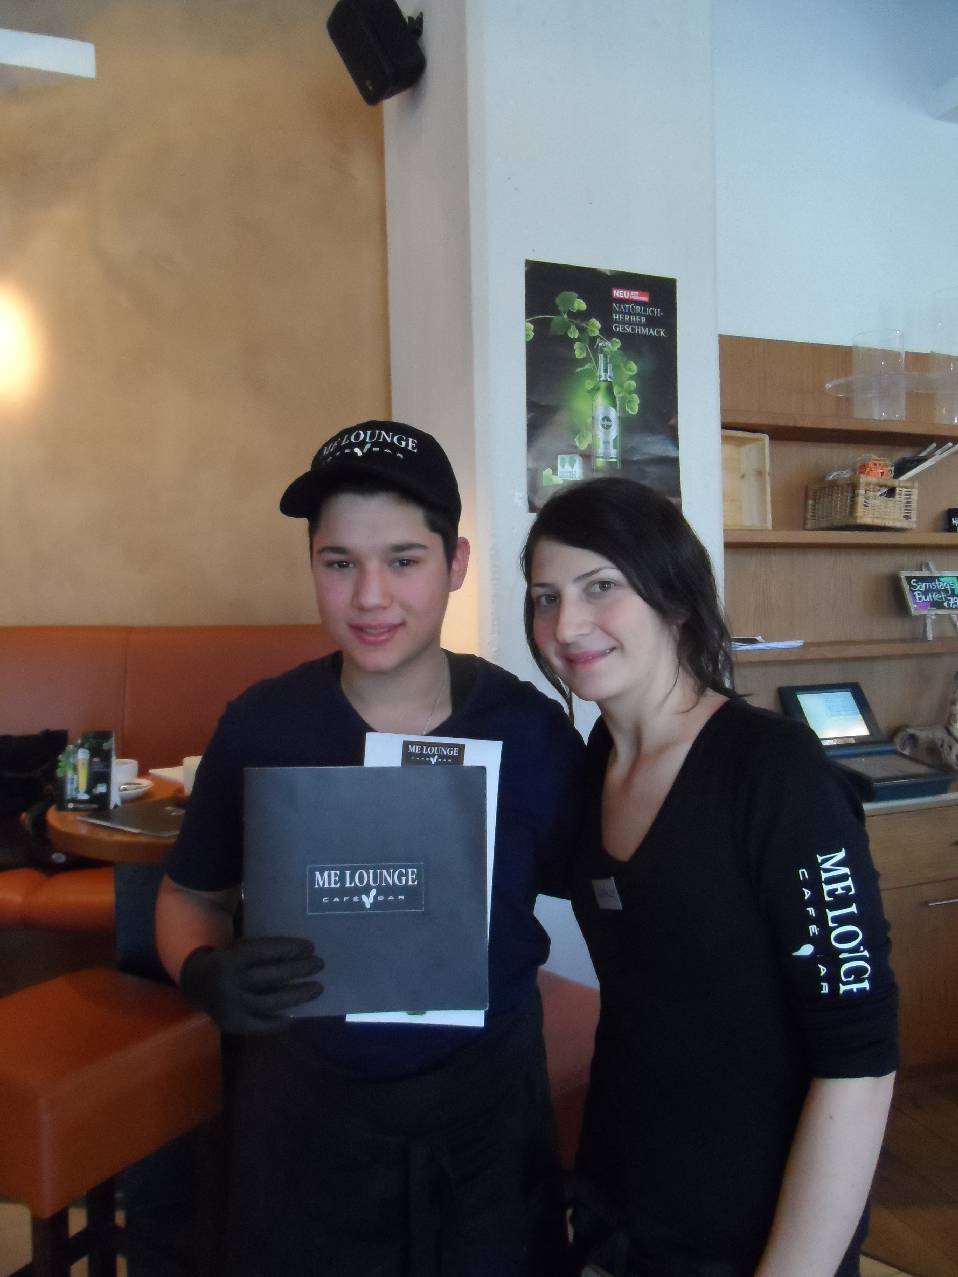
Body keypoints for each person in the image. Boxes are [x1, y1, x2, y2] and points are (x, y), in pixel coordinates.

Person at [155, 421, 585, 1277]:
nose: (370, 596)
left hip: (487, 1124)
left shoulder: (530, 730)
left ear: (456, 563)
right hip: (302, 1121)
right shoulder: (261, 724)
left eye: (403, 559)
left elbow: (613, 894)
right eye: (339, 562)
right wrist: (201, 970)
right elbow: (190, 895)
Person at [521, 476, 898, 1277]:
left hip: (756, 1229)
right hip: (621, 1208)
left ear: (675, 600)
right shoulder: (594, 765)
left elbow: (859, 1065)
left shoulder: (775, 773)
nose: (566, 623)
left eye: (600, 587)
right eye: (546, 597)